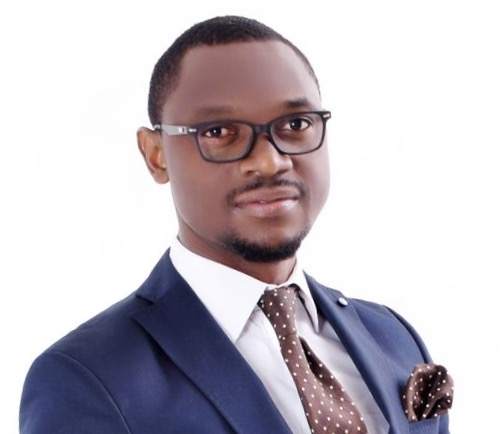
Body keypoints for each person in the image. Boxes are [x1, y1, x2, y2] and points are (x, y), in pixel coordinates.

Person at [19, 15, 452, 434]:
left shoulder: (392, 337)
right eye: (219, 132)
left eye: (295, 124)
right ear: (156, 155)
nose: (269, 161)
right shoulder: (88, 379)